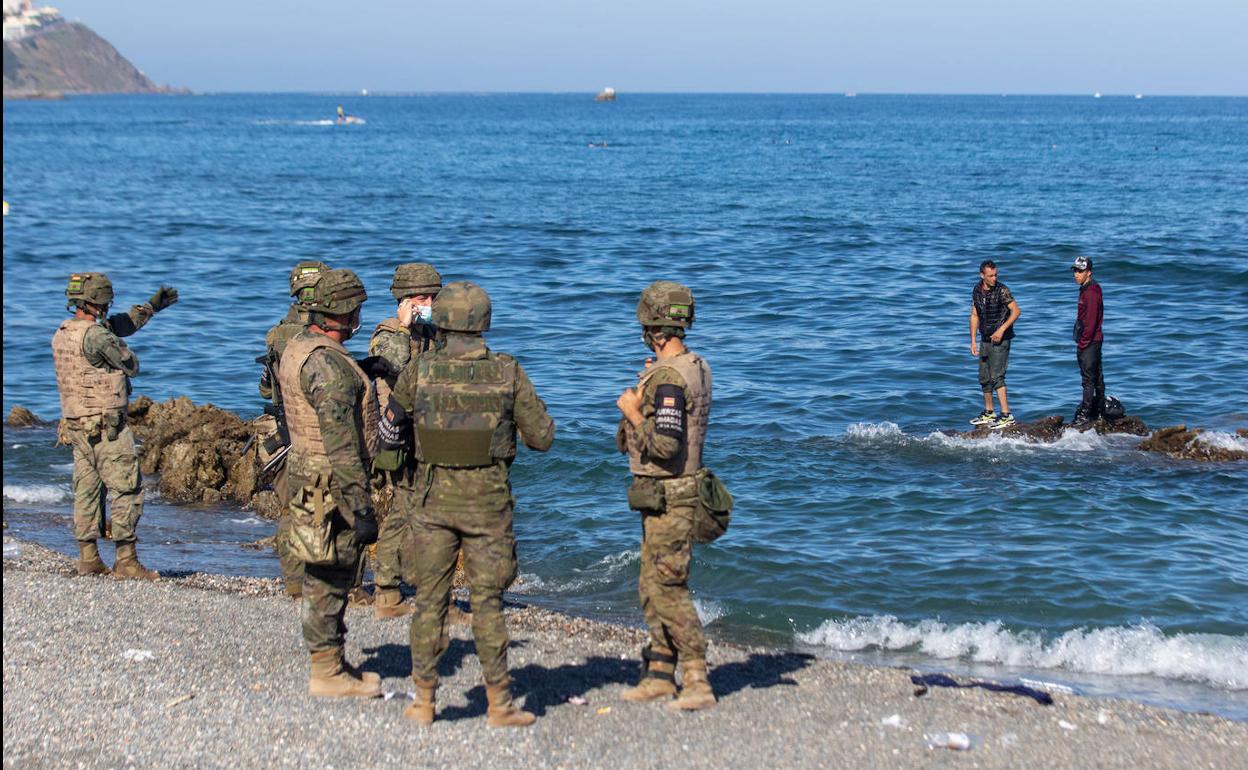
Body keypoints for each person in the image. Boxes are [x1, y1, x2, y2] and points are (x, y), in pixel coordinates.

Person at [378, 281, 555, 727]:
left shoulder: (418, 373)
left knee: (428, 604)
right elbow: (543, 438)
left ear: (442, 322)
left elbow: (389, 432)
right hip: (487, 505)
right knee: (488, 604)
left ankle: (423, 701)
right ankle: (499, 704)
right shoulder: (507, 372)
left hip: (430, 501)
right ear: (483, 323)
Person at [276, 268, 382, 698]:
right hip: (330, 480)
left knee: (328, 569)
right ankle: (325, 672)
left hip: (306, 471)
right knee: (330, 573)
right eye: (356, 310)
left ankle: (334, 661)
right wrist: (360, 505)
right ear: (343, 313)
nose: (359, 318)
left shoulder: (300, 345)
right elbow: (341, 443)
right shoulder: (331, 369)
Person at [615, 280, 717, 711]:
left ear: (654, 329)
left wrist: (634, 411)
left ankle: (697, 678)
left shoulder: (671, 378)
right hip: (661, 494)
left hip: (671, 495)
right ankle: (659, 671)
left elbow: (666, 446)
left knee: (669, 588)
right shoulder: (690, 366)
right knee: (650, 585)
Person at [51, 273, 178, 578]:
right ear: (99, 302)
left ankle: (89, 557)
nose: (109, 307)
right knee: (126, 488)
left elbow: (121, 323)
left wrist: (151, 307)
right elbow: (131, 363)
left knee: (87, 489)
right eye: (106, 302)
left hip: (76, 426)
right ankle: (126, 560)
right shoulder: (97, 336)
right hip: (106, 426)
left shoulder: (65, 331)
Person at [366, 262, 442, 619]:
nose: (429, 303)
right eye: (422, 298)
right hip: (398, 436)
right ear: (406, 300)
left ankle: (409, 583)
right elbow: (396, 372)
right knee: (403, 512)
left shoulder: (430, 332)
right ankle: (388, 589)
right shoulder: (387, 334)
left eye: (433, 297)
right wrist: (402, 325)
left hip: (426, 434)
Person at [258, 260, 329, 599]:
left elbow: (265, 389)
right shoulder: (310, 335)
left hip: (283, 426)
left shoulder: (277, 332)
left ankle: (295, 583)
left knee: (296, 507)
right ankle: (304, 583)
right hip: (302, 429)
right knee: (311, 507)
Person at [969, 260, 1021, 429]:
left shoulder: (1002, 290)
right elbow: (974, 315)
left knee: (997, 376)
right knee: (984, 377)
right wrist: (972, 341)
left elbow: (1016, 311)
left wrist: (1001, 330)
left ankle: (1006, 415)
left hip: (1001, 339)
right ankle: (989, 412)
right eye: (990, 275)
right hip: (984, 339)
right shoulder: (977, 290)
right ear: (982, 275)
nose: (994, 278)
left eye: (996, 275)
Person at [1071, 255, 1105, 427]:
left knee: (1088, 379)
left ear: (1089, 272)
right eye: (1075, 271)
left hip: (1090, 342)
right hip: (1094, 340)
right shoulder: (1088, 288)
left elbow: (1090, 322)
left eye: (1080, 271)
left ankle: (1085, 414)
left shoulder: (1090, 292)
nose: (1077, 274)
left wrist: (1083, 344)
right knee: (1096, 377)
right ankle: (1099, 411)